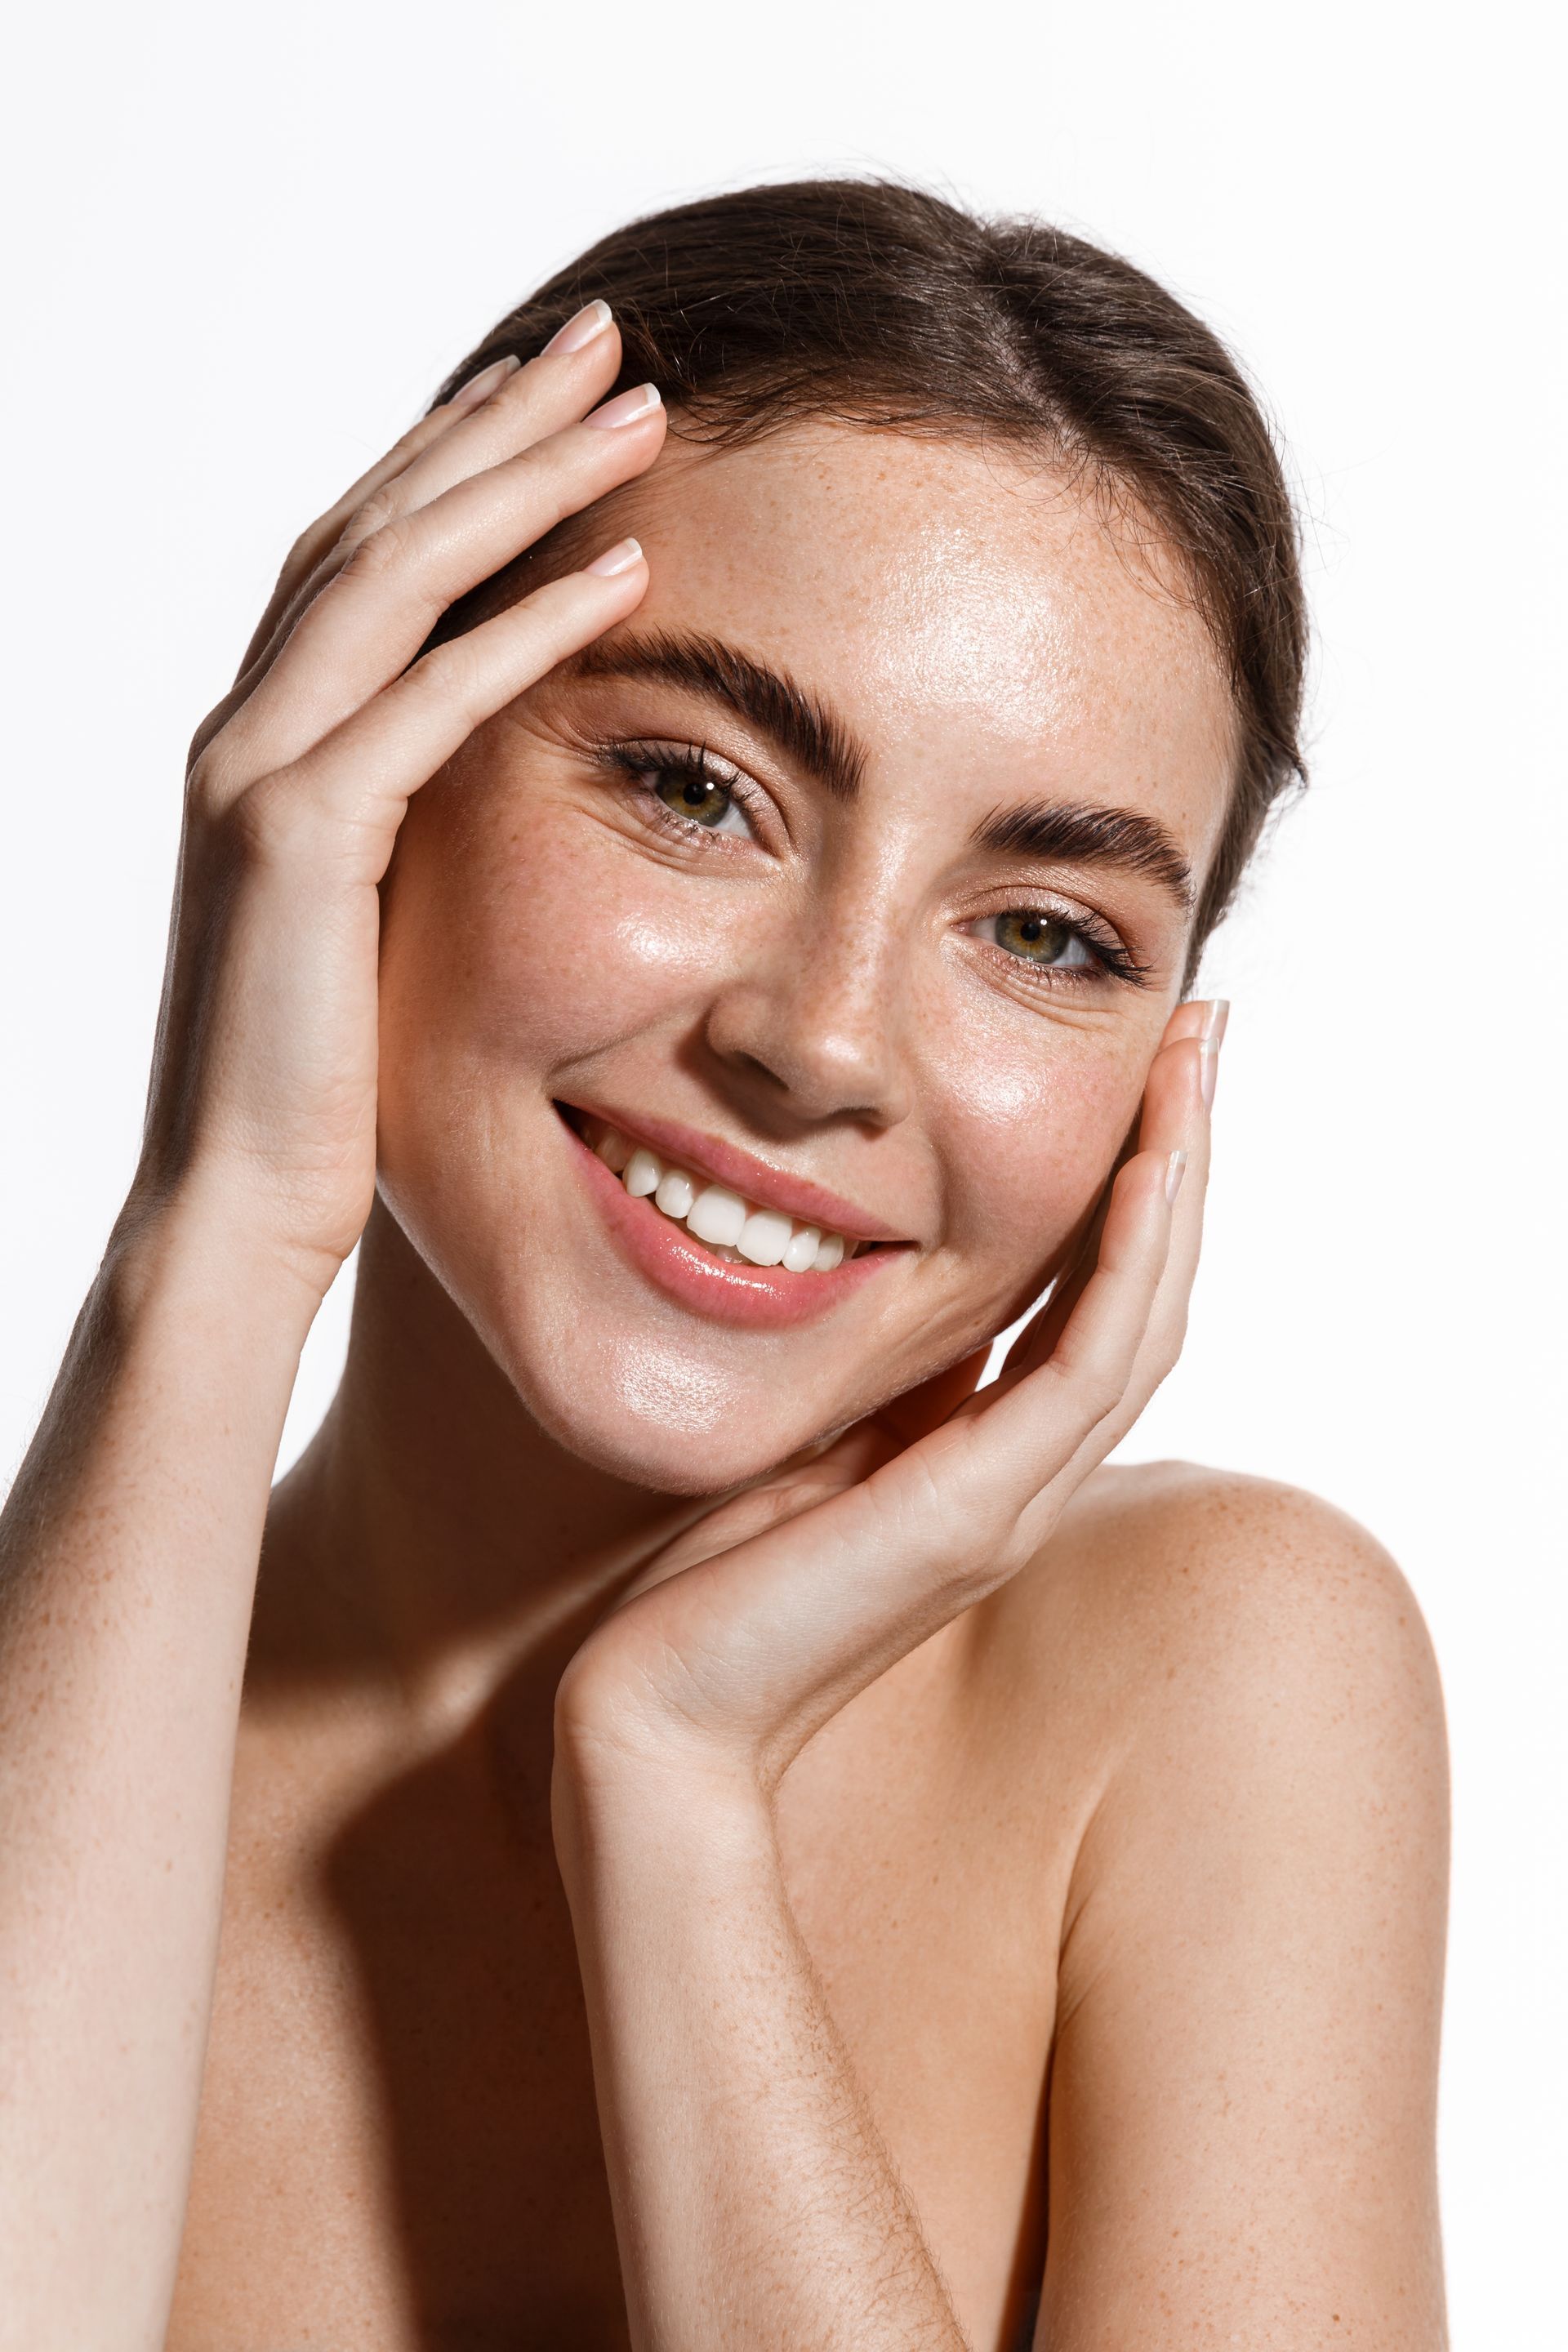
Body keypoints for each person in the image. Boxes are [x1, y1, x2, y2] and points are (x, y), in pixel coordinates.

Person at [0, 180, 1449, 2350]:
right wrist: (210, 1241)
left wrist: (673, 1794)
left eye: (1045, 932)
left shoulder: (1215, 1682)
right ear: (363, 756)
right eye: (698, 788)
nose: (824, 1041)